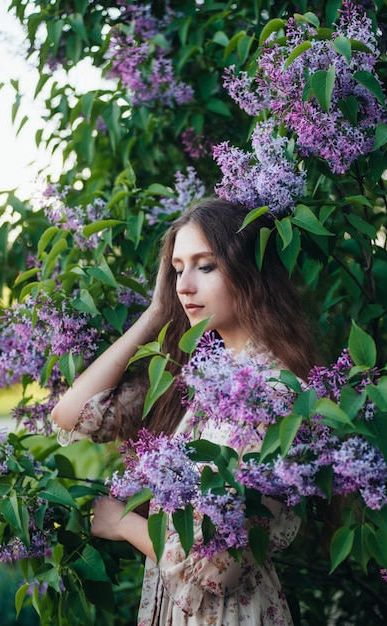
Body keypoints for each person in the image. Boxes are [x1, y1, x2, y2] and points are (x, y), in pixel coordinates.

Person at [51, 197, 319, 625]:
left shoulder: (274, 394)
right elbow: (72, 414)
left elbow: (218, 568)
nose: (184, 286)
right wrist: (157, 312)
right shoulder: (199, 377)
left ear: (249, 270)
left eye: (205, 266)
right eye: (177, 270)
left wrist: (124, 526)